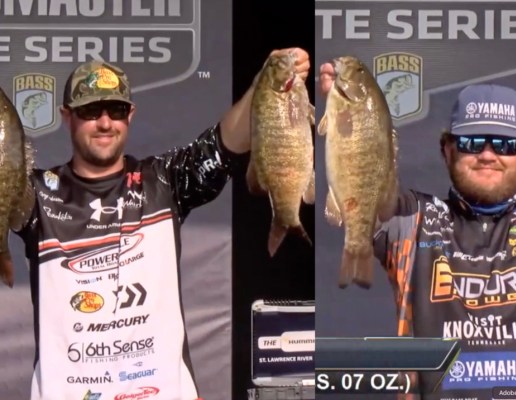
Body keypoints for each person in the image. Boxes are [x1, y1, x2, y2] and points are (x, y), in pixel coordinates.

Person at [8, 48, 310, 400]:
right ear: (67, 116)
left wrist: (266, 82)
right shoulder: (35, 195)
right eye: (90, 111)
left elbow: (225, 145)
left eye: (116, 110)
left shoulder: (163, 181)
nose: (105, 123)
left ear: (130, 115)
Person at [319, 63, 516, 400]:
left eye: (505, 144)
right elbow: (359, 187)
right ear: (447, 150)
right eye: (472, 142)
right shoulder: (412, 220)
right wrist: (349, 116)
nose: (487, 155)